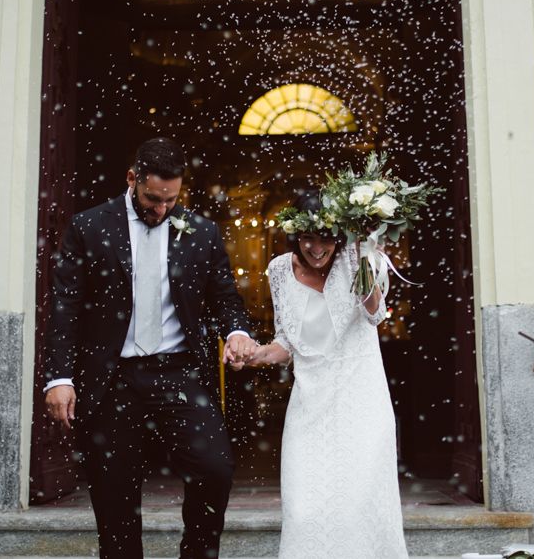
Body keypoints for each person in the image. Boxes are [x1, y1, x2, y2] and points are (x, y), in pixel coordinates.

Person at [43, 137, 258, 559]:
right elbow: (65, 307)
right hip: (113, 376)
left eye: (170, 200)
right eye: (152, 198)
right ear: (132, 179)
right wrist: (60, 378)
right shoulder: (89, 227)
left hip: (179, 372)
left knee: (215, 469)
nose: (161, 209)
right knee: (114, 489)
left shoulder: (201, 231)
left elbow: (225, 297)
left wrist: (236, 332)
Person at [225, 190, 409, 559]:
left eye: (325, 238)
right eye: (307, 238)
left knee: (357, 507)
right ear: (296, 235)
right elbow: (286, 342)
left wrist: (364, 255)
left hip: (361, 403)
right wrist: (252, 356)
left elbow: (374, 313)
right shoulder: (279, 269)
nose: (316, 247)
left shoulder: (355, 259)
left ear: (338, 236)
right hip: (310, 405)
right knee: (305, 507)